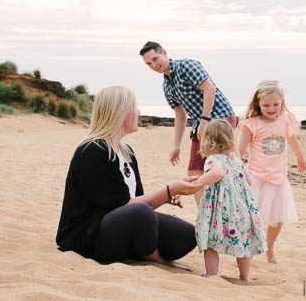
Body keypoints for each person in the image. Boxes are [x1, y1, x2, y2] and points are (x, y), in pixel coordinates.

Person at [56, 85, 201, 266]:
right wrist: (169, 190)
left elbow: (136, 199)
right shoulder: (93, 151)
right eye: (134, 107)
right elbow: (127, 206)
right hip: (87, 234)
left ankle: (138, 249)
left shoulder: (126, 152)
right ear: (120, 112)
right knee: (141, 212)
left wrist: (166, 197)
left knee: (187, 235)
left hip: (120, 224)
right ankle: (154, 257)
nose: (139, 111)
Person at [139, 41, 236, 203]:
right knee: (194, 173)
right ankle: (204, 218)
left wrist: (204, 120)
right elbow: (180, 115)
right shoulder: (166, 85)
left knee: (219, 168)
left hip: (221, 119)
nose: (154, 65)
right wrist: (176, 145)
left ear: (164, 51)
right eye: (149, 64)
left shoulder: (186, 66)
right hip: (201, 124)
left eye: (155, 59)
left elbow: (209, 89)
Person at [237, 79, 306, 264]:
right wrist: (235, 166)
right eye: (266, 105)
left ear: (282, 102)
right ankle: (248, 251)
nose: (271, 108)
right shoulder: (252, 124)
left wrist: (300, 156)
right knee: (253, 218)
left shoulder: (285, 120)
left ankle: (269, 247)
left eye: (276, 104)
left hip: (278, 179)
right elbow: (240, 149)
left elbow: (291, 139)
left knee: (277, 221)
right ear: (258, 104)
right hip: (256, 178)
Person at [193, 119, 266, 280]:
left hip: (220, 210)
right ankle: (244, 276)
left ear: (207, 141)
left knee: (211, 242)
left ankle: (211, 273)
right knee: (244, 242)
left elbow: (217, 173)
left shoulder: (213, 159)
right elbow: (249, 181)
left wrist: (199, 182)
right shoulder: (236, 159)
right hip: (242, 209)